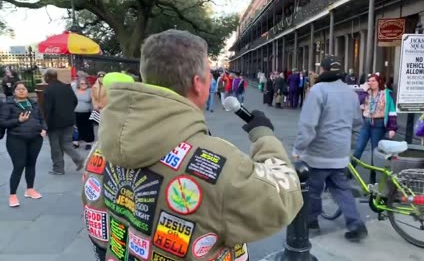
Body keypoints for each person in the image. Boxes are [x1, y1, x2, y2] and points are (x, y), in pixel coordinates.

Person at [81, 30, 303, 261]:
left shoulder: (101, 147)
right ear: (198, 84)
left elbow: (96, 220)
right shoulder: (220, 165)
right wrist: (264, 136)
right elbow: (282, 199)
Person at [292, 56, 368, 242]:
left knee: (313, 189)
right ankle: (355, 223)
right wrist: (348, 143)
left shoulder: (318, 90)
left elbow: (308, 124)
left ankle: (311, 221)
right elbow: (358, 123)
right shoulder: (350, 93)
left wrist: (298, 148)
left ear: (323, 70)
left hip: (319, 152)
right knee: (342, 189)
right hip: (340, 153)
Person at [0, 82, 47, 207]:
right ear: (14, 91)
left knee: (31, 164)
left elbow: (42, 118)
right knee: (19, 165)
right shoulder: (8, 105)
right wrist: (18, 120)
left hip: (35, 138)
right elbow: (3, 122)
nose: (21, 91)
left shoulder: (34, 104)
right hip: (16, 139)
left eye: (24, 89)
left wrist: (44, 128)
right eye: (19, 89)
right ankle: (13, 195)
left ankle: (30, 189)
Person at [353, 73, 397, 183]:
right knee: (358, 149)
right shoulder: (366, 93)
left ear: (379, 82)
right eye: (369, 81)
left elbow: (392, 111)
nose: (370, 83)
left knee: (375, 151)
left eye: (373, 81)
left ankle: (372, 177)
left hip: (379, 124)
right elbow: (357, 102)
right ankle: (349, 172)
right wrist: (364, 91)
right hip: (366, 123)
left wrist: (392, 128)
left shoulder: (386, 94)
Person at [43, 69, 84, 175]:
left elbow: (48, 109)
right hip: (69, 120)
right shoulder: (66, 87)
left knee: (55, 146)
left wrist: (45, 125)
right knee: (66, 144)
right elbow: (75, 101)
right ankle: (78, 159)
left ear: (47, 77)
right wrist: (68, 112)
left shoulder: (48, 90)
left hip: (54, 123)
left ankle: (58, 168)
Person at [73, 77, 94, 150]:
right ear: (79, 84)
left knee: (88, 128)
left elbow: (93, 100)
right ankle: (76, 142)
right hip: (76, 112)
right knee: (76, 127)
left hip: (86, 112)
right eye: (82, 83)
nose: (84, 85)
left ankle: (88, 143)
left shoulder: (90, 90)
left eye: (85, 83)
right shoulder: (75, 90)